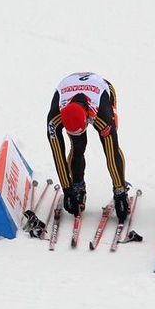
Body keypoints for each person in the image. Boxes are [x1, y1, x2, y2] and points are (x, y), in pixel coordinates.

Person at [46, 72, 130, 223]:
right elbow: (57, 153)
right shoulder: (55, 117)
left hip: (101, 91)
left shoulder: (100, 114)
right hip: (69, 92)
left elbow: (112, 152)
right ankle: (78, 185)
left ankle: (121, 188)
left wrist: (120, 192)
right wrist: (68, 189)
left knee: (110, 145)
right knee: (78, 146)